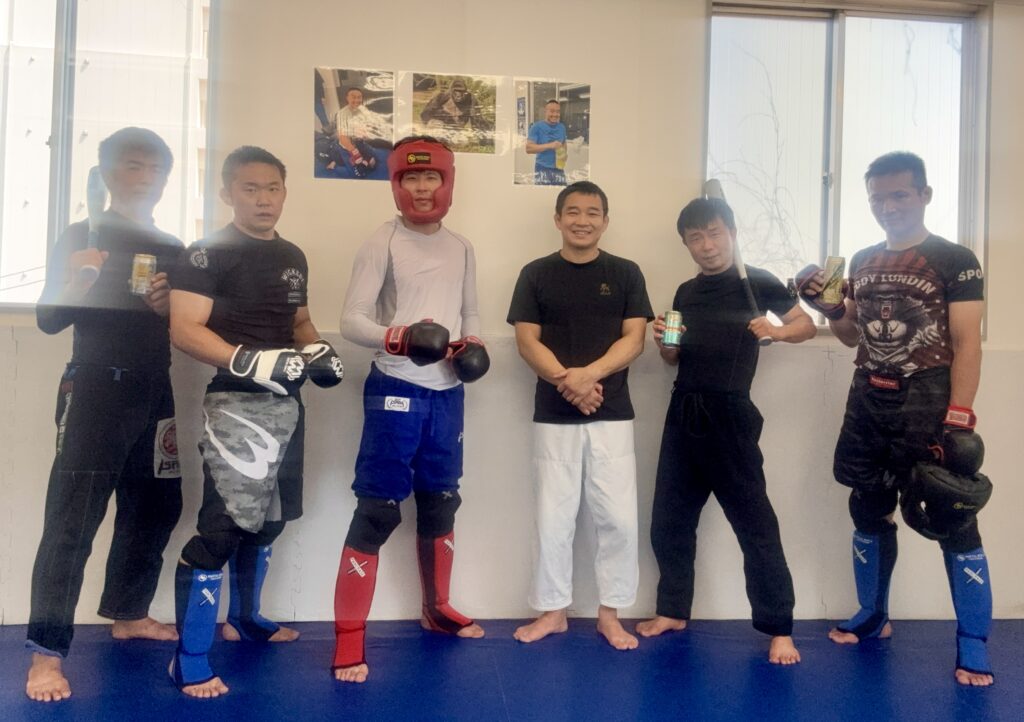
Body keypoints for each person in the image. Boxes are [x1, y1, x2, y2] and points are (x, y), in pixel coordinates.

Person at [796, 151, 993, 687]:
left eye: (899, 195)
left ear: (924, 195)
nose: (888, 206)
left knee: (953, 512)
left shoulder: (955, 259)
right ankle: (873, 615)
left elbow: (967, 343)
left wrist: (959, 419)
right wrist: (829, 308)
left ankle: (973, 641)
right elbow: (851, 336)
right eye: (878, 198)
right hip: (869, 397)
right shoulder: (861, 260)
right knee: (867, 506)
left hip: (928, 399)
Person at [167, 146, 344, 698]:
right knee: (221, 530)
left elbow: (299, 321)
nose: (263, 199)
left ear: (284, 192)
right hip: (236, 406)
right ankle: (189, 658)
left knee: (270, 521)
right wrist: (248, 360)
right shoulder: (205, 254)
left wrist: (318, 350)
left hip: (288, 403)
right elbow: (184, 328)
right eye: (250, 188)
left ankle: (244, 619)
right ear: (227, 193)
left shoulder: (292, 255)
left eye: (273, 188)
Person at [25, 127, 184, 703]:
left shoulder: (171, 245)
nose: (144, 178)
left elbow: (190, 325)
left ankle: (128, 612)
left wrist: (168, 308)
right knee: (73, 520)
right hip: (94, 388)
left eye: (155, 169)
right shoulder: (81, 233)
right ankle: (46, 653)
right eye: (132, 166)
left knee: (156, 506)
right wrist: (78, 279)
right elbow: (48, 320)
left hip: (154, 387)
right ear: (108, 172)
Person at [333, 135, 488, 684]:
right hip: (395, 386)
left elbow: (470, 312)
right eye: (411, 178)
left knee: (442, 501)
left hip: (447, 391)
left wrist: (473, 345)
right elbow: (351, 319)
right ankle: (349, 637)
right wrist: (398, 336)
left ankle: (437, 608)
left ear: (447, 182)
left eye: (431, 177)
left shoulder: (462, 247)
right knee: (378, 509)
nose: (422, 189)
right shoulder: (383, 240)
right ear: (397, 184)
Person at [634, 196, 815, 665]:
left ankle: (779, 628)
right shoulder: (685, 293)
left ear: (731, 233)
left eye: (714, 233)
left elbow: (805, 326)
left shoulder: (757, 282)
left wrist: (775, 331)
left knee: (755, 524)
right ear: (687, 244)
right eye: (696, 238)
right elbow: (672, 358)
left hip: (731, 415)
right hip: (683, 411)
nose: (707, 245)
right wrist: (665, 344)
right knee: (669, 520)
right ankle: (673, 610)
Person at [507, 181, 652, 650]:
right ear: (558, 219)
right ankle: (553, 611)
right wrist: (568, 382)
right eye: (573, 211)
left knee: (618, 519)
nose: (582, 220)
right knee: (553, 518)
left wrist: (588, 375)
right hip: (553, 414)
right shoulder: (535, 273)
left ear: (605, 221)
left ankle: (610, 614)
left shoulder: (626, 273)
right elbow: (526, 341)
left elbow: (635, 339)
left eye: (592, 212)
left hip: (613, 413)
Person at [333, 87, 390, 178]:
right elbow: (343, 138)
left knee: (375, 162)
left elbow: (370, 124)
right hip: (347, 146)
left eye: (359, 97)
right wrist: (355, 154)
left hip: (359, 142)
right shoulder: (342, 114)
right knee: (359, 175)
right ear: (347, 98)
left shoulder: (362, 109)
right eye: (353, 97)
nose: (357, 100)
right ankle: (334, 165)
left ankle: (359, 160)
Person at [419, 78, 490, 132]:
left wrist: (479, 134)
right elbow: (425, 113)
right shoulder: (442, 96)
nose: (459, 95)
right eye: (456, 91)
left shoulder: (471, 99)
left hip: (456, 130)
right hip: (440, 127)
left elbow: (476, 120)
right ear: (451, 91)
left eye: (461, 91)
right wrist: (430, 121)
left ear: (465, 91)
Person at [526, 100, 568, 186]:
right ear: (545, 112)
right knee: (542, 193)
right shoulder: (536, 127)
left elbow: (564, 143)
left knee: (562, 192)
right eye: (552, 111)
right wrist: (550, 145)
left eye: (558, 111)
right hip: (542, 168)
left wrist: (564, 154)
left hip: (559, 168)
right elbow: (528, 148)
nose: (555, 114)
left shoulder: (562, 127)